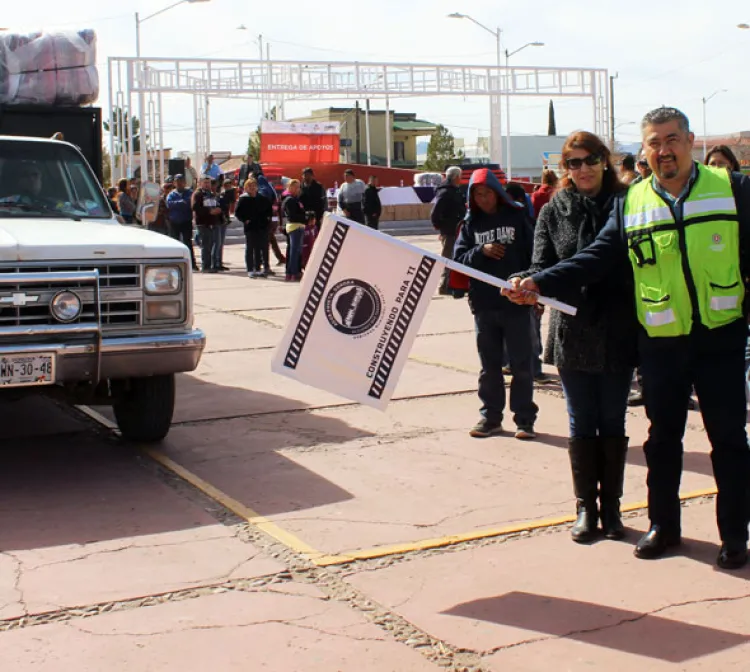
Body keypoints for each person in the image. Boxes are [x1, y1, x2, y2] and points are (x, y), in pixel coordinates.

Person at [506, 107, 750, 570]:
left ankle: (735, 535)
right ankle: (664, 526)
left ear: (691, 141)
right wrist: (541, 281)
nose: (664, 150)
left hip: (719, 338)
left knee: (730, 442)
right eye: (654, 143)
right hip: (660, 342)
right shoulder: (631, 201)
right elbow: (596, 257)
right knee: (662, 440)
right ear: (644, 151)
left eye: (672, 139)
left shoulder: (734, 190)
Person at [512, 131, 635, 542]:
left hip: (617, 326)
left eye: (589, 160)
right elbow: (540, 263)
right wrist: (527, 286)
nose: (582, 169)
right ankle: (586, 508)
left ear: (605, 161)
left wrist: (539, 279)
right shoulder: (553, 210)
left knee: (611, 419)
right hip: (571, 331)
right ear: (565, 169)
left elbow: (606, 260)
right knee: (581, 420)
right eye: (573, 163)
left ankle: (613, 508)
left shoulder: (627, 204)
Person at [454, 168, 538, 441]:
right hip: (484, 305)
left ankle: (525, 420)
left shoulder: (515, 216)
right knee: (489, 366)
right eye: (478, 194)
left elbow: (535, 253)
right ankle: (490, 417)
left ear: (497, 192)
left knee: (522, 365)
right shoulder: (470, 224)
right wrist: (482, 251)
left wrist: (531, 284)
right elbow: (457, 260)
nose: (484, 199)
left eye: (488, 193)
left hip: (516, 303)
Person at [431, 166, 467, 295]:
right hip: (450, 230)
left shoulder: (455, 191)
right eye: (460, 177)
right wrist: (440, 228)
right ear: (456, 177)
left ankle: (452, 285)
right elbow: (435, 213)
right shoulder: (446, 192)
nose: (461, 179)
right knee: (448, 258)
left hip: (457, 229)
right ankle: (444, 285)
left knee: (454, 257)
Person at [235, 177, 273, 278]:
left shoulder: (262, 198)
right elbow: (238, 213)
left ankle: (258, 268)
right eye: (249, 186)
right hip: (250, 227)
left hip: (262, 226)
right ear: (246, 188)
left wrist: (268, 219)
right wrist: (245, 220)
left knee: (260, 247)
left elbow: (269, 210)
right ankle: (250, 269)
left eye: (254, 186)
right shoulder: (243, 199)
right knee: (250, 247)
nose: (252, 188)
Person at [166, 174, 198, 271]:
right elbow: (169, 204)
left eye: (181, 181)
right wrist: (181, 203)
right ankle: (174, 264)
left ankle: (192, 264)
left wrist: (179, 204)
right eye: (177, 182)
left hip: (186, 221)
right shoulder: (171, 194)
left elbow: (189, 203)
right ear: (174, 183)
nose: (179, 184)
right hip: (174, 222)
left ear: (184, 182)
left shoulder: (190, 192)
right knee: (174, 243)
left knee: (188, 243)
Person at [192, 175, 223, 273]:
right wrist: (209, 212)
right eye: (205, 182)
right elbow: (195, 207)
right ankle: (206, 266)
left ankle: (211, 265)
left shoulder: (211, 193)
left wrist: (218, 209)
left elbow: (215, 204)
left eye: (208, 182)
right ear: (200, 183)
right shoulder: (198, 194)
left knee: (211, 244)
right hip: (203, 223)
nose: (207, 184)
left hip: (212, 222)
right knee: (206, 245)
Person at [282, 179, 312, 282]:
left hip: (299, 226)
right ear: (289, 187)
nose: (297, 189)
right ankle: (292, 273)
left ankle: (292, 272)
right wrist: (305, 217)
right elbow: (292, 216)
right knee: (294, 251)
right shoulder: (289, 200)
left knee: (296, 251)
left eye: (298, 187)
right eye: (295, 187)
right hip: (294, 227)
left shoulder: (296, 199)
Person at [257, 174, 284, 273]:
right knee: (271, 239)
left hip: (268, 220)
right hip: (274, 218)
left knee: (265, 242)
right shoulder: (272, 190)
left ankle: (261, 263)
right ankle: (280, 258)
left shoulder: (263, 191)